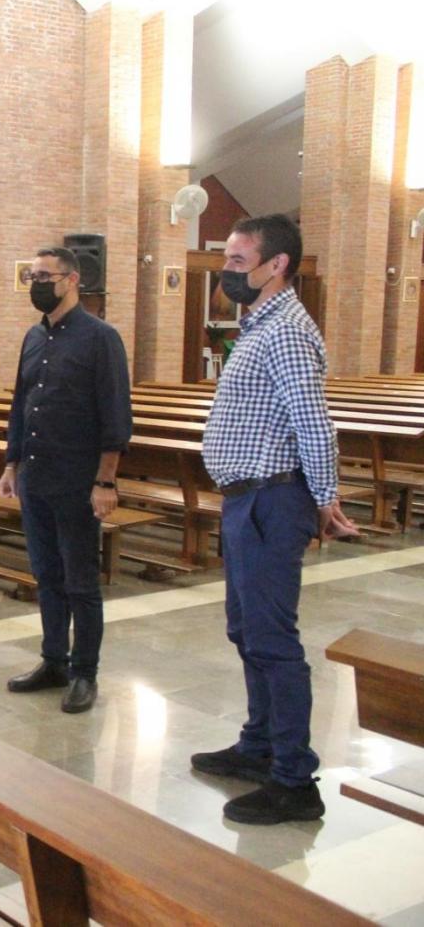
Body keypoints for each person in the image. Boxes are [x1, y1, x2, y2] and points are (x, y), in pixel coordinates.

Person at [192, 214, 359, 825]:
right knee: (246, 632)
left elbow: (313, 421)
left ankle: (294, 780)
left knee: (272, 641)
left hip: (271, 498)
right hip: (247, 498)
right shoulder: (259, 325)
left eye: (238, 261)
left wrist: (326, 497)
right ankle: (259, 745)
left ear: (276, 265)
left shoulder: (286, 330)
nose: (227, 272)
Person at [0, 246, 132, 714]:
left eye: (44, 275)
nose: (36, 282)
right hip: (36, 474)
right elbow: (21, 403)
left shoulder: (101, 339)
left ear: (71, 280)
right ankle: (53, 660)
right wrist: (12, 463)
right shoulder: (34, 336)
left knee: (80, 581)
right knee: (47, 576)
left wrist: (106, 482)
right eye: (31, 274)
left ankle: (84, 671)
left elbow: (115, 416)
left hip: (78, 479)